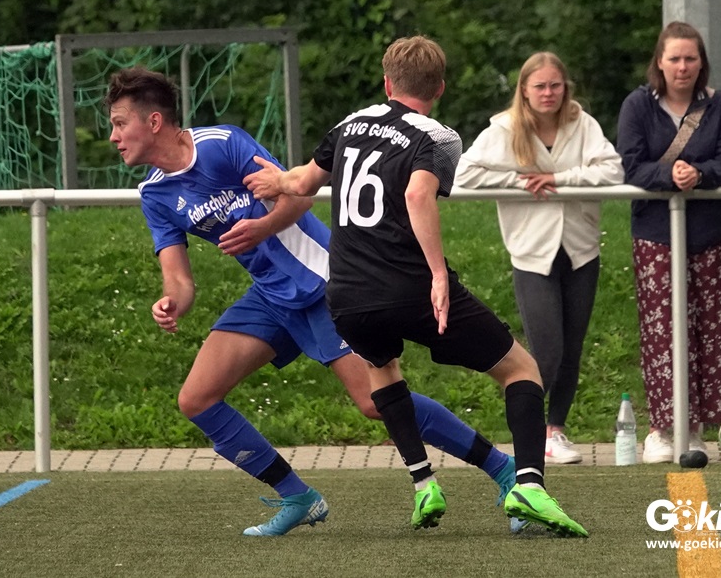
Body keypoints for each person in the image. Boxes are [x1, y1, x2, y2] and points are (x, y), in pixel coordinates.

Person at [103, 66, 523, 537]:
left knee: (374, 403)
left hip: (324, 283)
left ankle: (504, 469)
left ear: (154, 121)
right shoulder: (155, 194)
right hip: (270, 296)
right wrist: (171, 302)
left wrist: (263, 227)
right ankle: (298, 497)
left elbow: (299, 194)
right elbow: (179, 280)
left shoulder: (222, 144)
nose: (114, 136)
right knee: (197, 399)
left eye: (120, 123)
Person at [244, 36, 588, 537]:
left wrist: (276, 182)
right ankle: (529, 485)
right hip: (409, 286)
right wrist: (439, 274)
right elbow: (418, 194)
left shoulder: (351, 123)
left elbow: (301, 184)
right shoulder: (440, 136)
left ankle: (424, 483)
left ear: (387, 83)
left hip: (347, 294)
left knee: (381, 368)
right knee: (521, 369)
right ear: (440, 88)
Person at [455, 52, 625, 464]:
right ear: (525, 91)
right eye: (540, 86)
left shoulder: (582, 123)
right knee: (546, 350)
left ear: (566, 88)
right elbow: (465, 173)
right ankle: (526, 431)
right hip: (532, 252)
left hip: (581, 249)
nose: (549, 93)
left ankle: (555, 430)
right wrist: (519, 180)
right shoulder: (505, 128)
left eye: (555, 85)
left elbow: (613, 171)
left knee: (571, 349)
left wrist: (558, 180)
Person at [616, 21, 721, 464]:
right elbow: (630, 164)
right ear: (660, 62)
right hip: (656, 236)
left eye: (691, 58)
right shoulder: (637, 105)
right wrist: (668, 174)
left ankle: (706, 428)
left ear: (701, 62)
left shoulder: (720, 105)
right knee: (663, 332)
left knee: (715, 332)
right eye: (675, 58)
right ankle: (663, 428)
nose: (683, 66)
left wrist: (699, 174)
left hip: (710, 234)